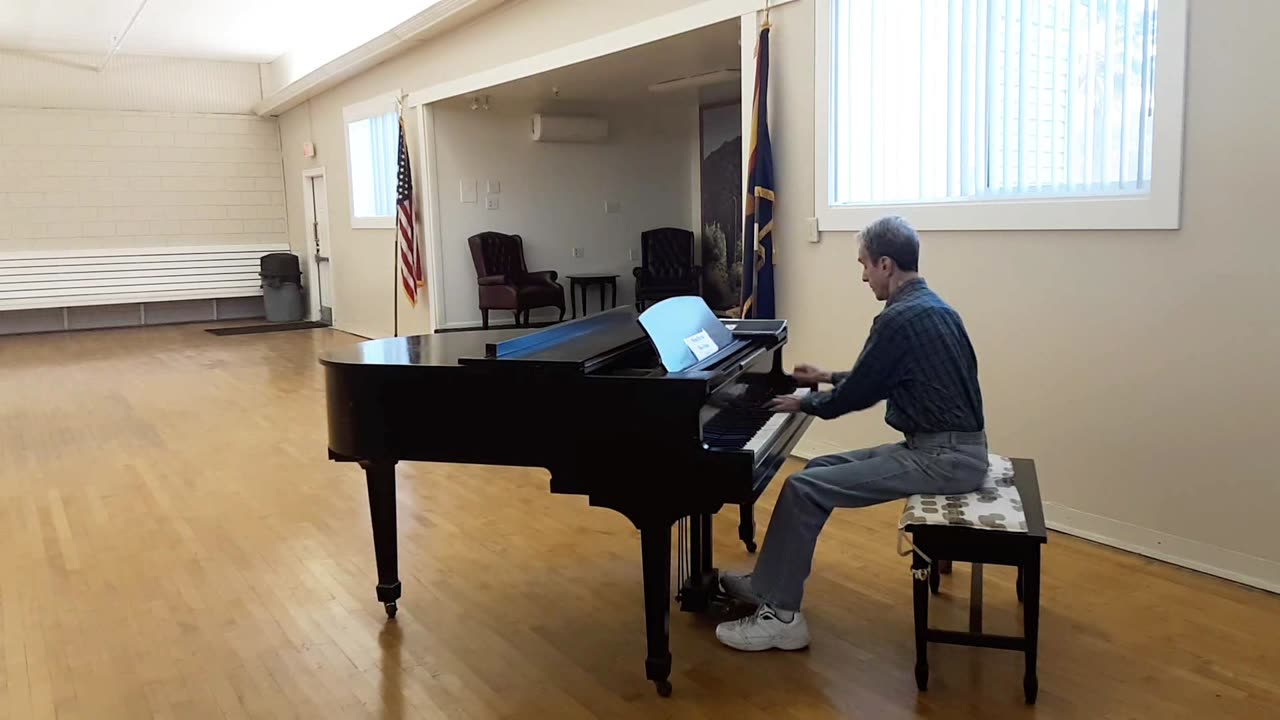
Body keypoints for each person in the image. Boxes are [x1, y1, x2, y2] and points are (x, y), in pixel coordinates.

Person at [714, 215, 989, 652]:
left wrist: (804, 402)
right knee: (818, 469)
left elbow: (859, 394)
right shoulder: (932, 307)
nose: (862, 275)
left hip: (943, 459)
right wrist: (826, 376)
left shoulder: (898, 319)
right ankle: (768, 584)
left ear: (885, 264)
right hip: (951, 449)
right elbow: (880, 377)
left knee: (804, 488)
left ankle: (783, 617)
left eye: (863, 264)